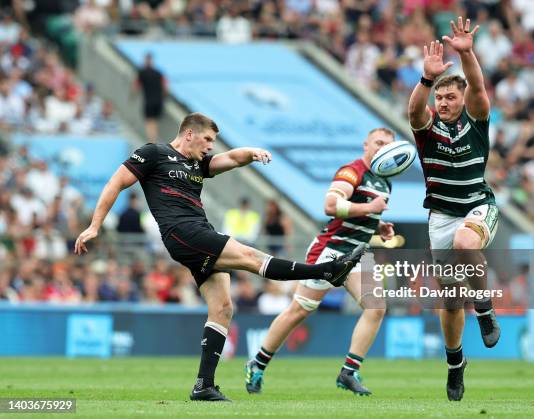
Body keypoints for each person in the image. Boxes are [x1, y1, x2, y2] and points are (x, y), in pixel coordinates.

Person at [74, 112, 365, 402]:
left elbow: (233, 159)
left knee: (223, 308)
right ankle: (326, 272)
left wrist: (252, 153)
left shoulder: (198, 163)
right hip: (181, 232)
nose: (211, 146)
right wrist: (95, 225)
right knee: (251, 256)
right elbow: (115, 183)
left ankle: (204, 386)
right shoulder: (153, 153)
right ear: (189, 134)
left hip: (200, 231)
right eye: (208, 139)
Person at [245, 128, 396, 396]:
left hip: (359, 252)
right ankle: (257, 364)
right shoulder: (352, 171)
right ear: (366, 145)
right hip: (332, 250)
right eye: (378, 143)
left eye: (387, 145)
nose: (382, 148)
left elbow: (359, 216)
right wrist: (369, 210)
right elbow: (330, 205)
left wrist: (378, 226)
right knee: (300, 310)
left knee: (377, 307)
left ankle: (348, 372)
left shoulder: (385, 180)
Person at [406, 17, 501, 401]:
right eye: (439, 98)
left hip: (478, 206)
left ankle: (485, 308)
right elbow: (413, 112)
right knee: (448, 300)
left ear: (462, 101)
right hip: (441, 215)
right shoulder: (427, 130)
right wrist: (426, 80)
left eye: (450, 98)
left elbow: (477, 85)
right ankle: (455, 363)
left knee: (466, 242)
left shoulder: (477, 122)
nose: (443, 103)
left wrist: (467, 54)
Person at [133, 53, 166, 142]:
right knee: (155, 122)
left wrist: (133, 95)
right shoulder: (158, 72)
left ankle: (152, 142)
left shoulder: (142, 72)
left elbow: (136, 86)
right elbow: (165, 87)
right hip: (159, 101)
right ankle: (154, 140)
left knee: (150, 122)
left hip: (149, 101)